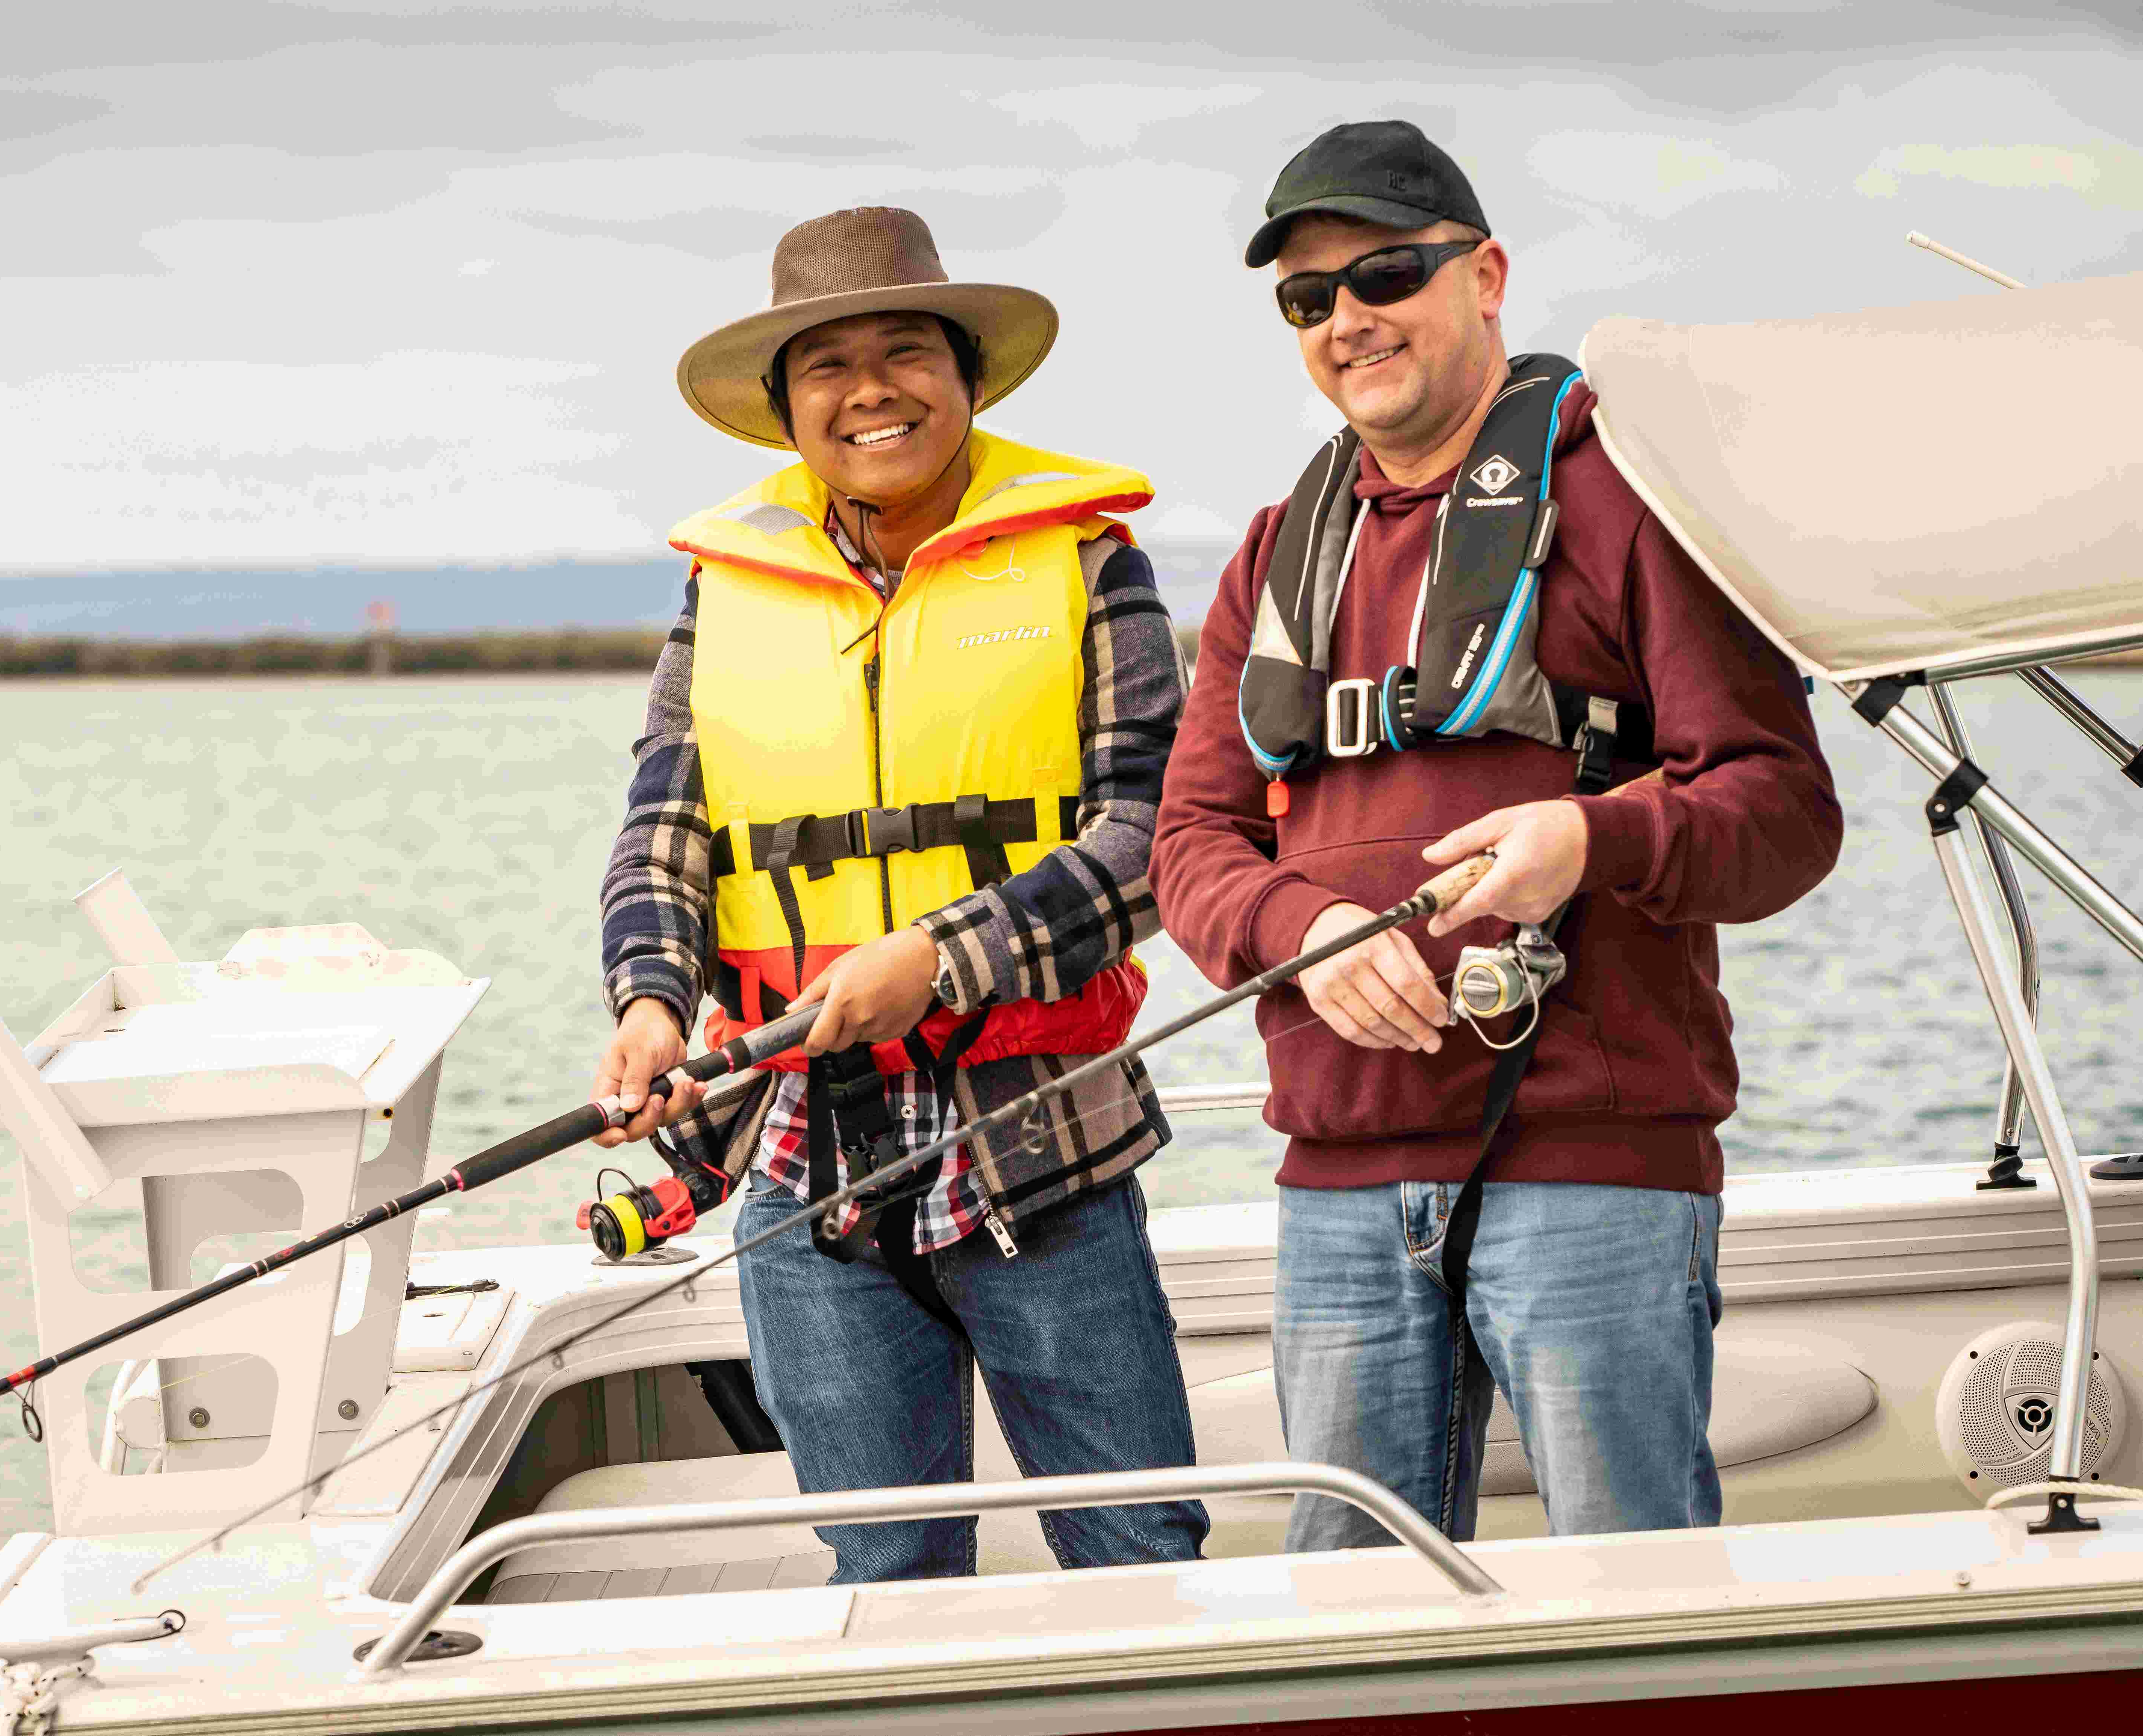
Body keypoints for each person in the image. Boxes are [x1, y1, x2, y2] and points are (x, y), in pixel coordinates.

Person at [1153, 121, 1842, 1549]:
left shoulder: (1630, 503)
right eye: (1306, 296)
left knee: (1631, 1586)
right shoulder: (1275, 549)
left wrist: (1592, 838)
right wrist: (1301, 932)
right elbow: (1193, 844)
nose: (1347, 318)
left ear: (1485, 276)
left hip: (1591, 1173)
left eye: (1385, 273)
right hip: (1337, 1187)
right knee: (1346, 1619)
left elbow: (1783, 812)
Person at [590, 205, 1206, 1583]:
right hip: (801, 1161)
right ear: (786, 411)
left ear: (966, 377)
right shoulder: (722, 594)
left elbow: (1153, 833)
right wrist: (647, 1000)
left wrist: (941, 958)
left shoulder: (1090, 563)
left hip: (1043, 1147)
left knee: (1140, 1553)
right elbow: (662, 831)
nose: (870, 390)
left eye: (904, 351)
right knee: (883, 1577)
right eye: (828, 365)